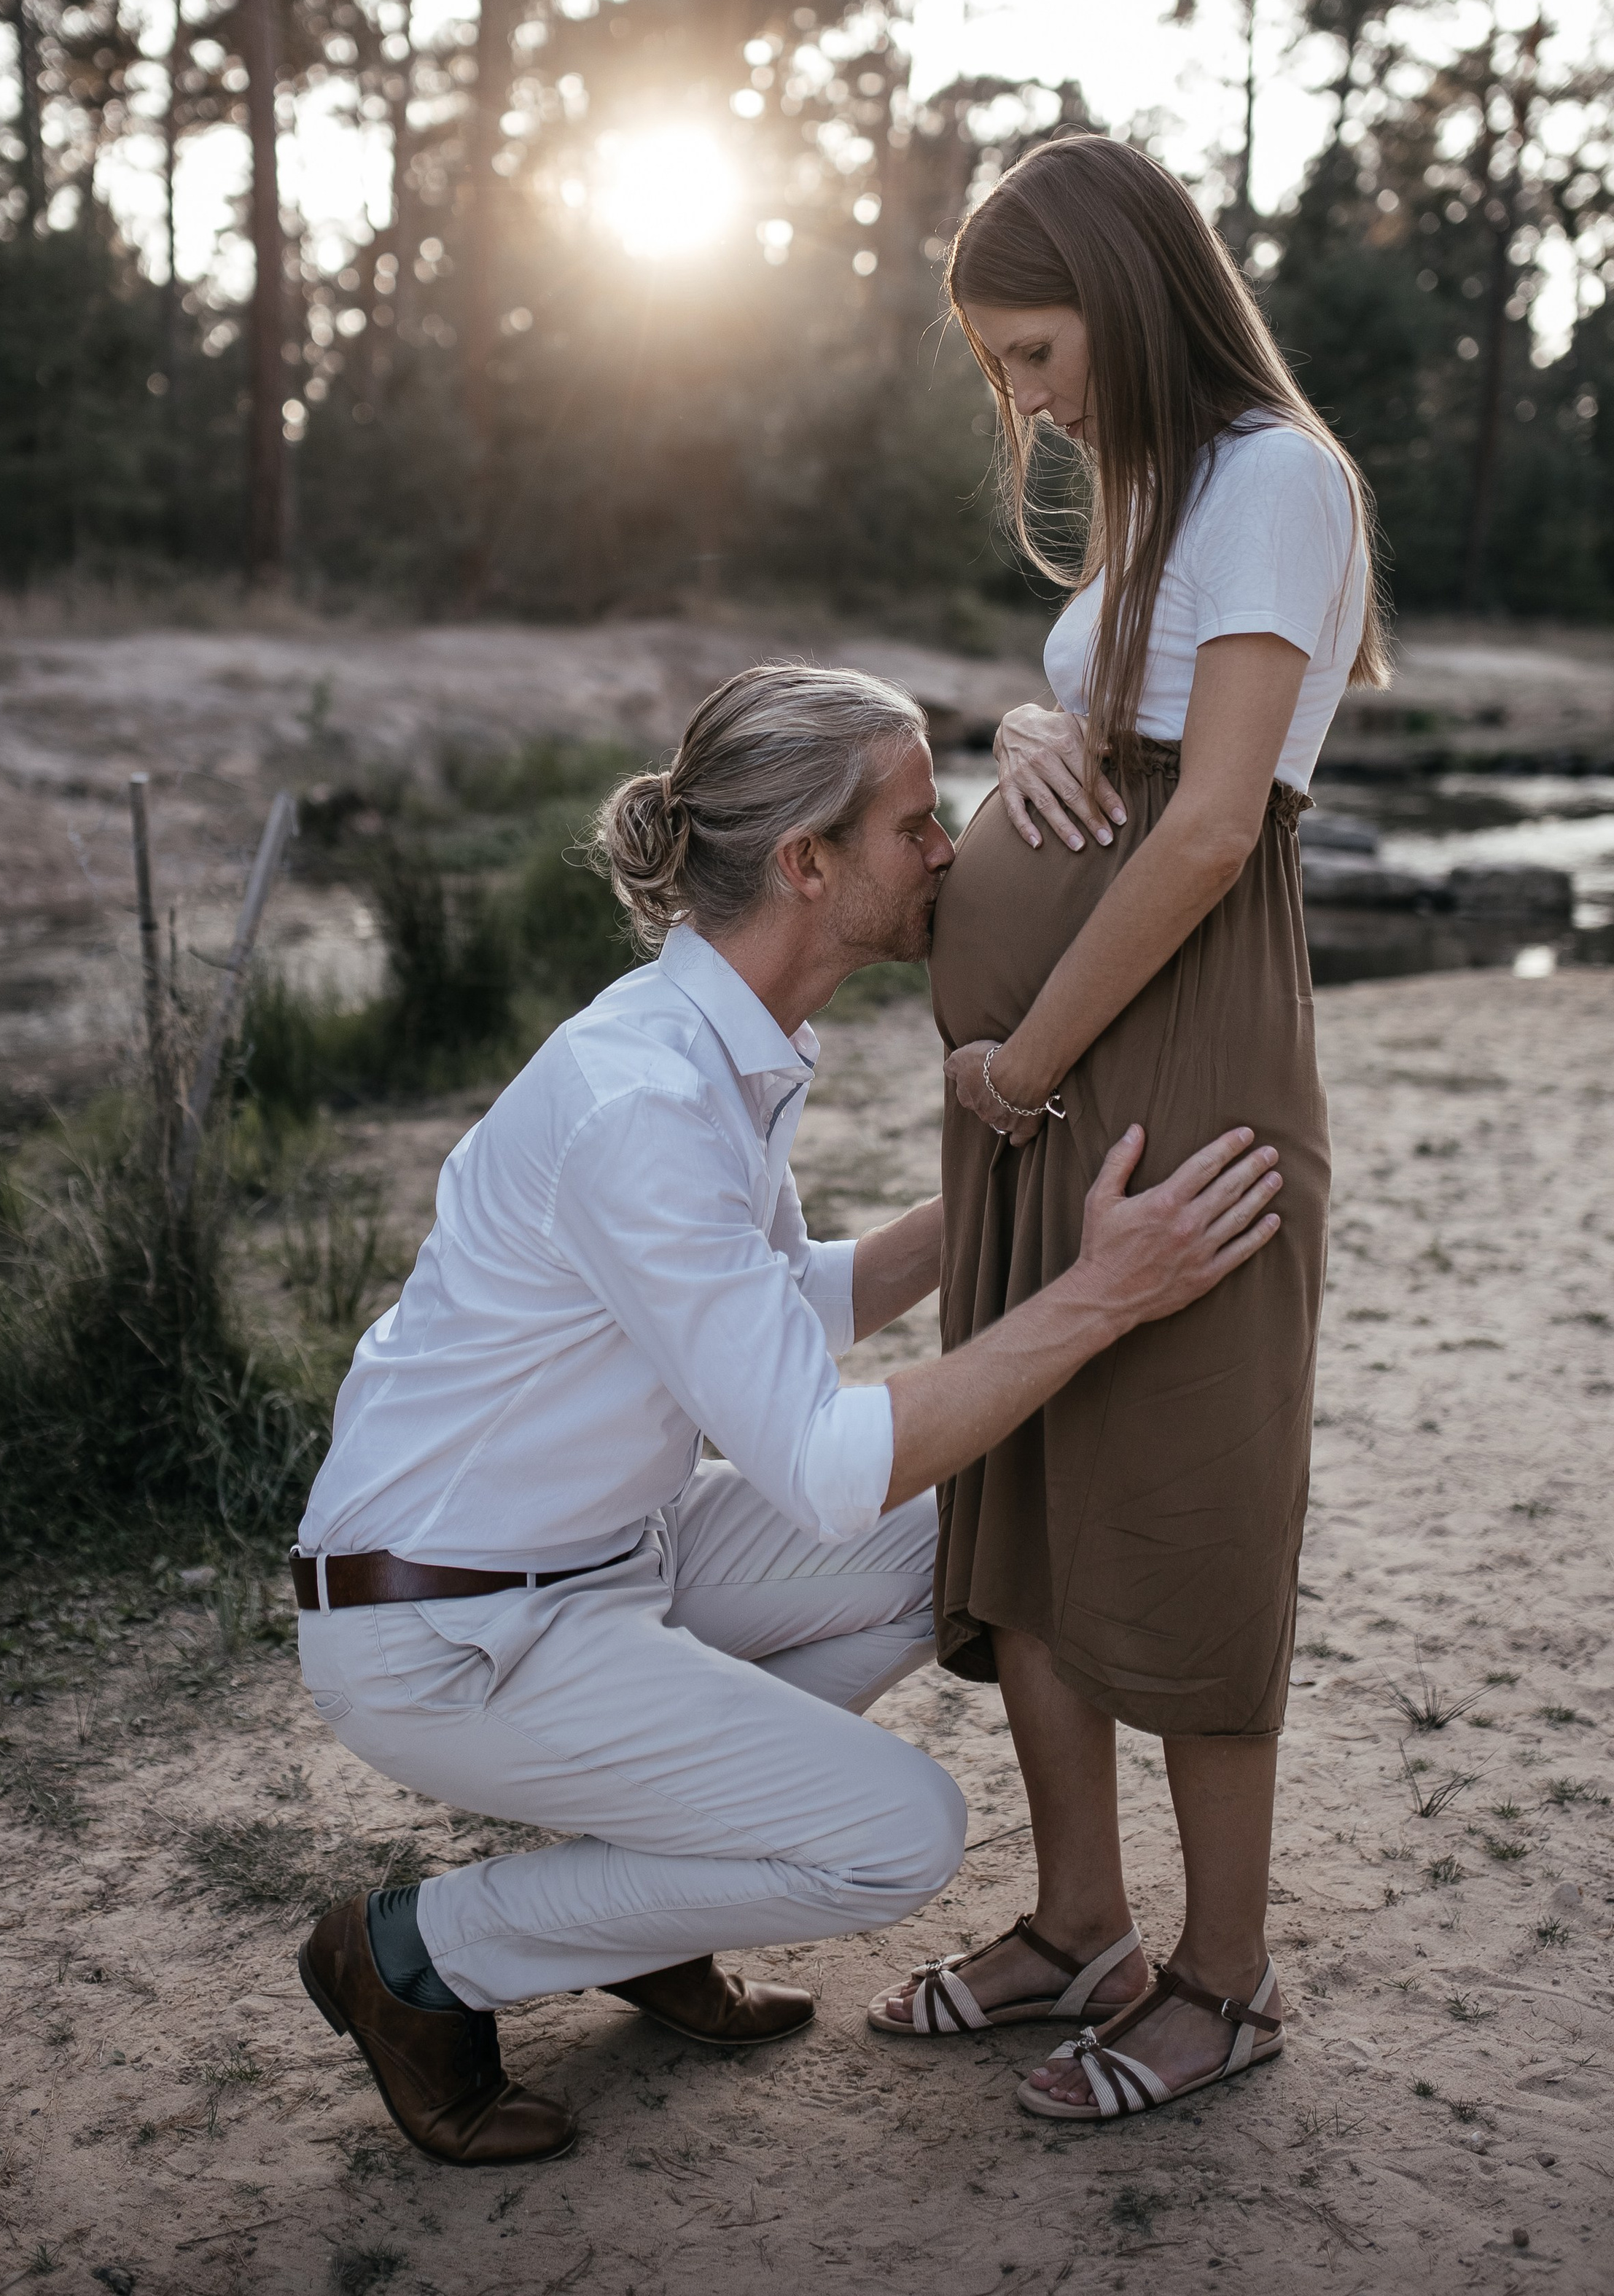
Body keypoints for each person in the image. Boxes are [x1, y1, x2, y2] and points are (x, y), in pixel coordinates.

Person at [289, 661, 1283, 2166]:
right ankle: (417, 1955)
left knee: (964, 1513)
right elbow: (818, 1466)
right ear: (808, 866)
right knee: (897, 1834)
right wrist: (1101, 1292)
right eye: (911, 825)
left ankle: (651, 1912)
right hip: (451, 1627)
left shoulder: (730, 1046)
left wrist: (997, 1179)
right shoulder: (643, 1102)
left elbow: (776, 1312)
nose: (943, 851)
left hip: (598, 1556)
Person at [871, 134, 1385, 2124]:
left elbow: (1210, 823)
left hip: (1147, 1057)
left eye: (1033, 346)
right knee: (1037, 1507)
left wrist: (1019, 1061)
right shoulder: (1169, 491)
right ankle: (1076, 1915)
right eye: (1001, 367)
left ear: (1124, 285)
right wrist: (1029, 724)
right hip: (1050, 1075)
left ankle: (1225, 1976)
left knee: (1174, 1498)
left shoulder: (1272, 478)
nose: (1026, 396)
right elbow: (1117, 737)